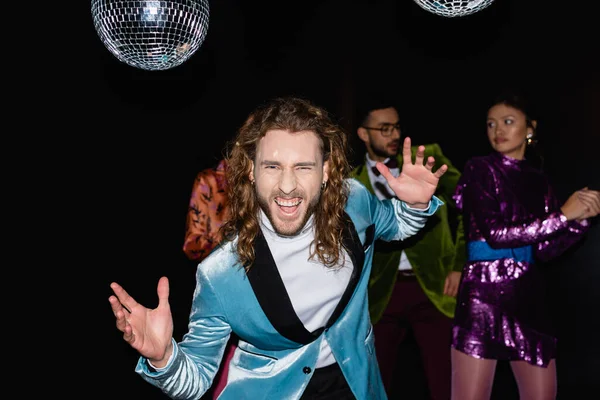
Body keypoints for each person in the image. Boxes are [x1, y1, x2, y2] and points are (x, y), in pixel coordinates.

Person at [108, 96, 448, 400]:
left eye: (303, 167)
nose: (287, 186)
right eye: (272, 167)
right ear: (252, 172)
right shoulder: (220, 274)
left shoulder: (354, 201)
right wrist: (163, 357)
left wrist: (416, 206)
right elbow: (195, 380)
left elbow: (396, 226)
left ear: (327, 171)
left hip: (356, 381)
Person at [450, 90, 600, 400]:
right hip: (483, 297)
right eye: (491, 124)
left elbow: (545, 250)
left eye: (507, 122)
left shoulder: (539, 180)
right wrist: (563, 216)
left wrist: (580, 221)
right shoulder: (479, 169)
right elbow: (496, 235)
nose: (498, 131)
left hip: (529, 300)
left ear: (529, 128)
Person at [351, 100, 465, 399]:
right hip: (380, 295)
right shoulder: (350, 184)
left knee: (446, 383)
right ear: (363, 134)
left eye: (397, 126)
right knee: (376, 385)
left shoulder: (426, 159)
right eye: (384, 128)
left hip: (433, 287)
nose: (394, 134)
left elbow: (472, 206)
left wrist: (459, 264)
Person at [183, 158, 236, 399]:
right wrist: (227, 240)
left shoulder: (267, 177)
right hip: (221, 287)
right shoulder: (210, 181)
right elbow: (191, 244)